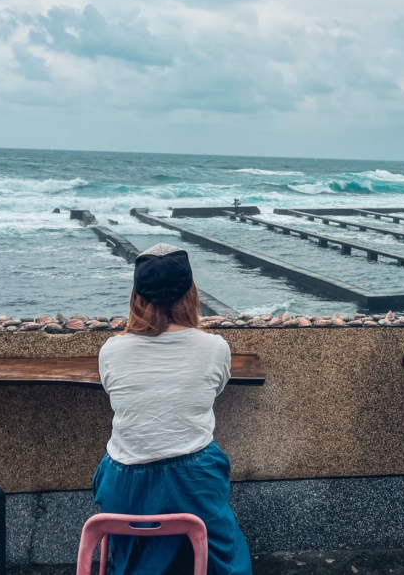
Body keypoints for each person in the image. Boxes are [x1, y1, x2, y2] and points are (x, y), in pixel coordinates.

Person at [94, 243, 252, 575]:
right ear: (191, 292)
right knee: (226, 553)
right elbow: (213, 391)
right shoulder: (214, 348)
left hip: (126, 484)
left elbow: (115, 392)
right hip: (194, 478)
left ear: (137, 296)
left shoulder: (111, 350)